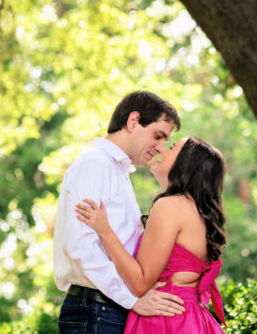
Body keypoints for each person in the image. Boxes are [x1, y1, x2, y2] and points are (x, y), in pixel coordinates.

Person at [54, 91, 186, 334]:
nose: (160, 148)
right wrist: (133, 300)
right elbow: (82, 249)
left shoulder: (118, 172)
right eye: (158, 136)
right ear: (133, 121)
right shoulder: (95, 164)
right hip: (97, 311)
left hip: (107, 309)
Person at [75, 136, 228, 334]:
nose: (162, 150)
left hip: (166, 321)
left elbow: (140, 283)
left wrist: (104, 230)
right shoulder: (197, 212)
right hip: (192, 319)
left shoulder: (171, 206)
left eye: (172, 147)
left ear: (187, 164)